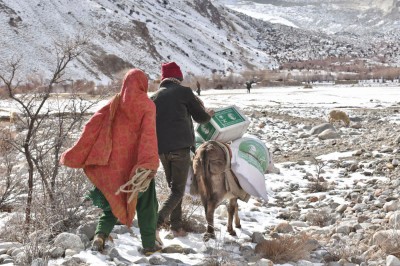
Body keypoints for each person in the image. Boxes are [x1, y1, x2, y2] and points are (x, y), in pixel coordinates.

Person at [60, 69, 161, 256]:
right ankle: (149, 245)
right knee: (147, 205)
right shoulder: (147, 105)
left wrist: (76, 151)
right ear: (142, 84)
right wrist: (149, 164)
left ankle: (100, 236)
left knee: (113, 203)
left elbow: (92, 125)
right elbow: (148, 137)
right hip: (136, 168)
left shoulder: (114, 102)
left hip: (113, 166)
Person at [151, 62, 214, 241]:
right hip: (180, 148)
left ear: (163, 78)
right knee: (178, 191)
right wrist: (208, 113)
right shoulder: (184, 92)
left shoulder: (154, 97)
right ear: (178, 77)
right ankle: (155, 224)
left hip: (162, 150)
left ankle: (176, 227)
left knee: (174, 189)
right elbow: (200, 117)